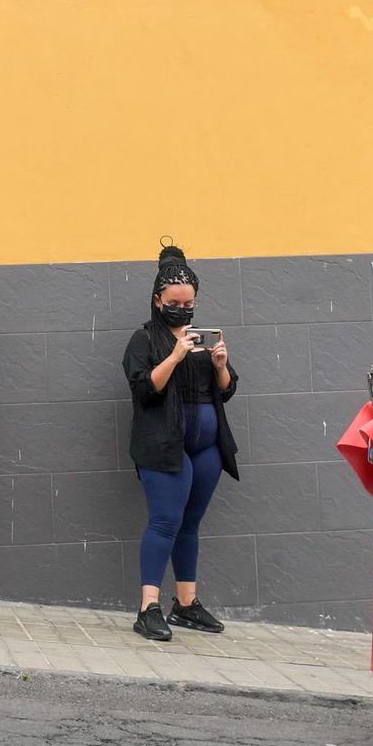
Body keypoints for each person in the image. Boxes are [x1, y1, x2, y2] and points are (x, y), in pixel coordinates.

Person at [121, 243, 239, 641]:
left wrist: (221, 366)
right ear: (158, 300)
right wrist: (174, 356)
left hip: (206, 447)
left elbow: (225, 391)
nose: (183, 310)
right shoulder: (144, 340)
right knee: (165, 521)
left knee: (190, 523)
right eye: (175, 302)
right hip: (163, 445)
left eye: (189, 304)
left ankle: (186, 604)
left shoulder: (202, 340)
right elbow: (145, 390)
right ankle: (147, 608)